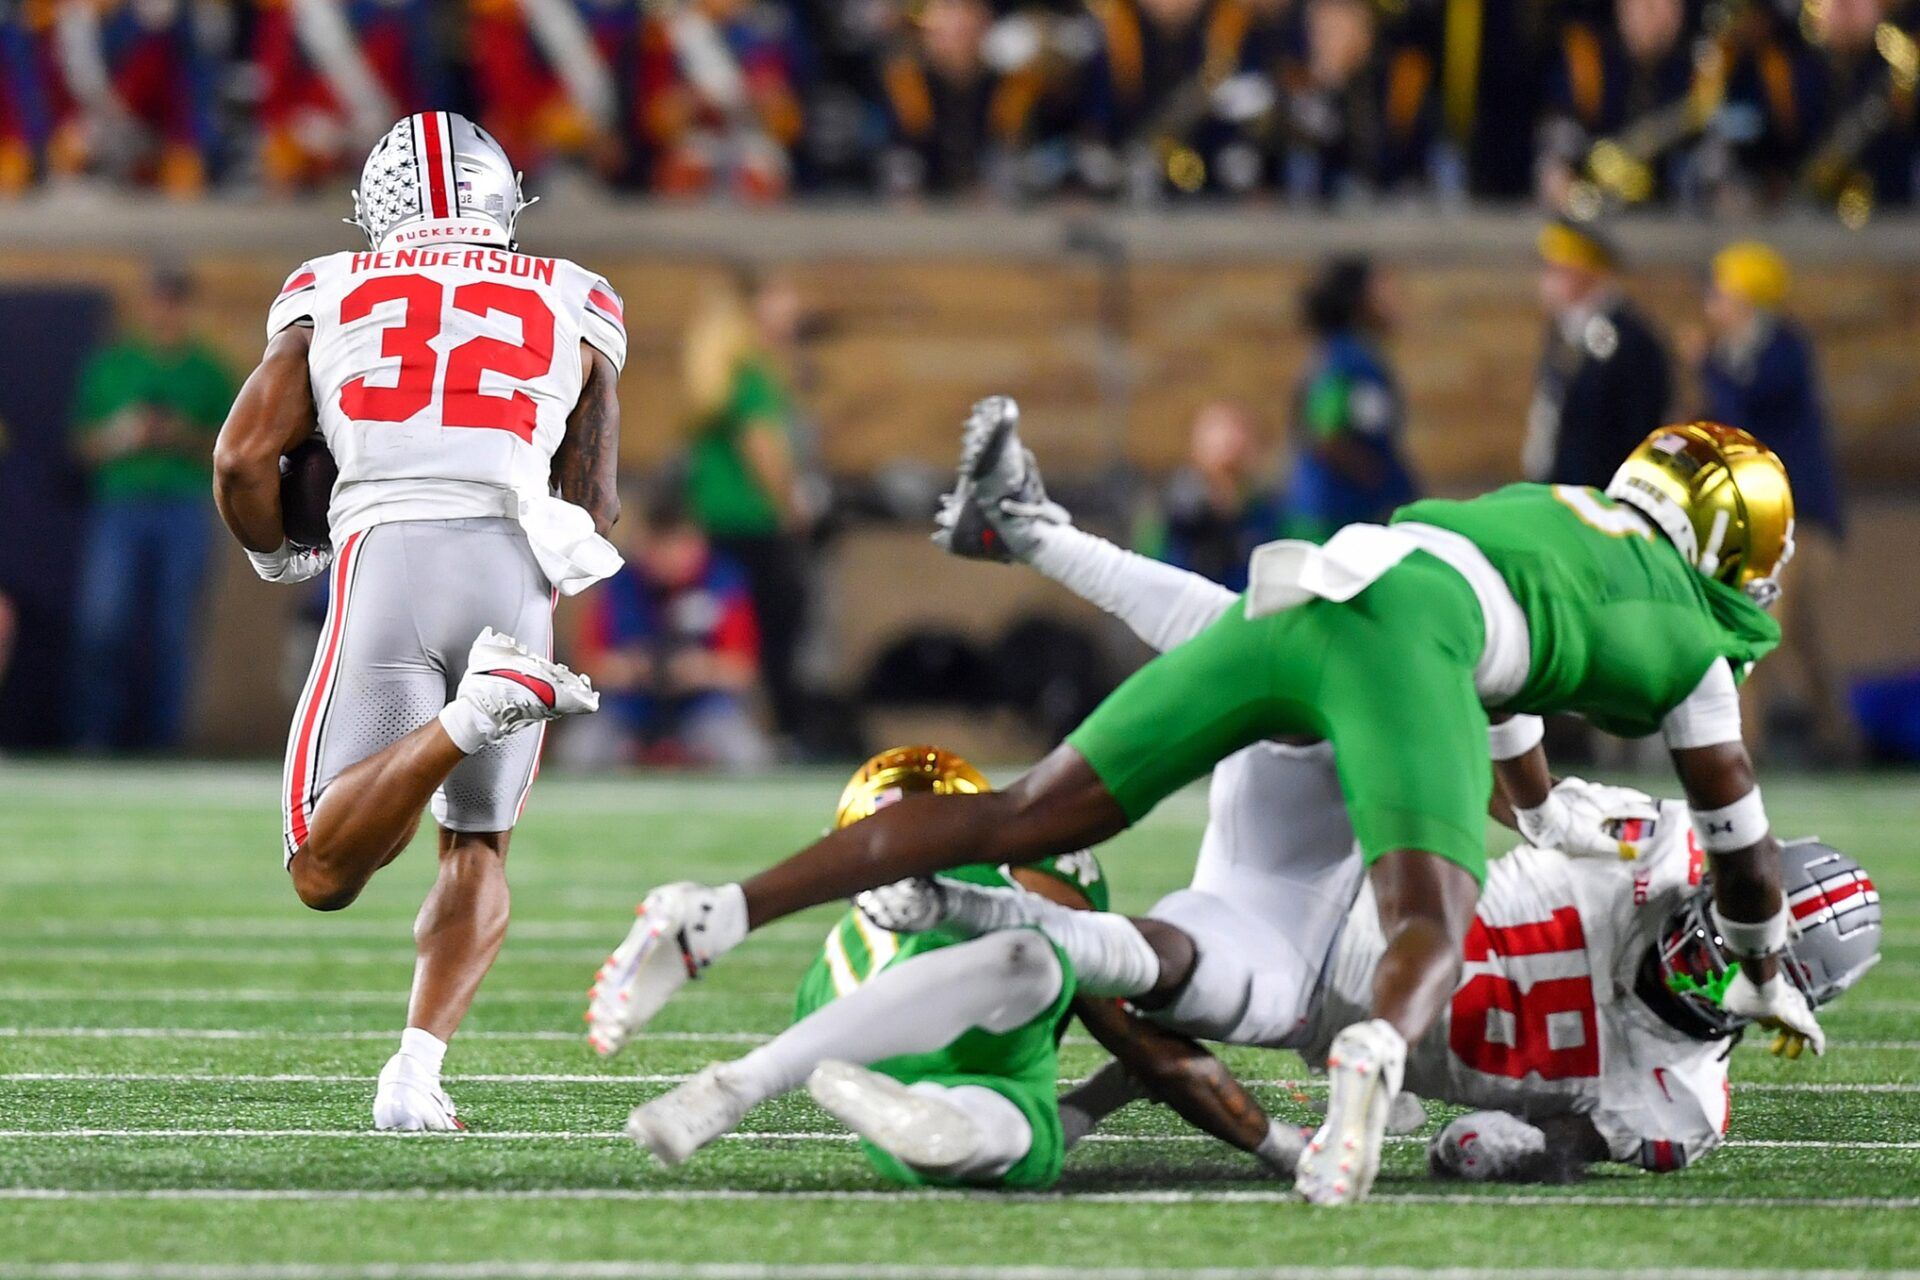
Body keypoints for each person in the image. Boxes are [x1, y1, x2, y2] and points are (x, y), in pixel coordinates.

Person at [589, 395, 1819, 1205]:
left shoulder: (1556, 524)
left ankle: (710, 914)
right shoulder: (1686, 653)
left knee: (1029, 822)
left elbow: (1514, 706)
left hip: (1332, 592)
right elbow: (1742, 836)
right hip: (1404, 659)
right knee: (1425, 929)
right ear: (1725, 548)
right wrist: (1764, 954)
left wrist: (1547, 814)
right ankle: (1354, 1097)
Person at [211, 112, 621, 1133]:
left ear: (375, 209)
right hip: (518, 558)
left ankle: (468, 715)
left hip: (389, 550)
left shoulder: (327, 283)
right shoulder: (579, 294)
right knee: (476, 843)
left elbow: (239, 459)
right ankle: (415, 1073)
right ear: (501, 200)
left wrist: (278, 554)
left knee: (322, 867)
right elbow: (595, 493)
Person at [619, 746, 1302, 1186]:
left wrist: (1103, 1094)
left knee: (973, 1126)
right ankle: (763, 1087)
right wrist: (1285, 1148)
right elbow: (1152, 1050)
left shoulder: (828, 963)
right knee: (1034, 966)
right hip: (994, 1036)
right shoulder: (1017, 873)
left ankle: (754, 1083)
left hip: (863, 1070)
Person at [1698, 242, 1853, 762]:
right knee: (1798, 631)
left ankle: (1741, 744)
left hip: (1799, 517)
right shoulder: (1741, 354)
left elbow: (1744, 414)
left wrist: (1707, 366)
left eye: (1721, 292)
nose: (1712, 302)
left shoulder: (1782, 351)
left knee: (1763, 623)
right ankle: (1837, 735)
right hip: (1765, 514)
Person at [69, 264, 234, 753]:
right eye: (158, 300)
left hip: (182, 506)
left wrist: (181, 434)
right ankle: (94, 737)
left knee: (173, 628)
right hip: (120, 505)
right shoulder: (112, 367)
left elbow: (232, 447)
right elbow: (82, 447)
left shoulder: (207, 371)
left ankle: (164, 742)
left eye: (174, 301)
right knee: (104, 622)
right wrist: (126, 433)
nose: (165, 312)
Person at [681, 267, 815, 747]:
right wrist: (794, 507)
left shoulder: (716, 376)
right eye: (782, 295)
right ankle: (782, 733)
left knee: (727, 630)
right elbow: (763, 449)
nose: (794, 306)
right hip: (756, 524)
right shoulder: (751, 373)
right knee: (777, 636)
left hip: (715, 522)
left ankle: (737, 730)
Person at [570, 494, 773, 771]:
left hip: (702, 707)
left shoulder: (724, 584)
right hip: (630, 707)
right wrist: (633, 668)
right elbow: (587, 665)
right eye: (660, 545)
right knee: (580, 751)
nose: (670, 557)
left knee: (745, 754)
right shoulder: (617, 584)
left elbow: (744, 669)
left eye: (680, 544)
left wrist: (698, 669)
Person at [1522, 219, 1673, 488]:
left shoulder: (1629, 339)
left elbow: (1634, 426)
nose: (1547, 281)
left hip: (1599, 492)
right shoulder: (1565, 330)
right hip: (1562, 486)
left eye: (1557, 270)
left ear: (1583, 272)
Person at [1283, 256, 1417, 542]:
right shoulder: (1346, 360)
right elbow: (1325, 433)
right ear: (1360, 300)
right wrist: (1380, 482)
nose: (1397, 300)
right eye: (1384, 291)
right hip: (1335, 519)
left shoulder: (1352, 355)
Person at [1138, 401, 1279, 590]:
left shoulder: (1270, 515)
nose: (1232, 443)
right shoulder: (1173, 512)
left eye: (1240, 433)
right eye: (1221, 433)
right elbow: (1149, 572)